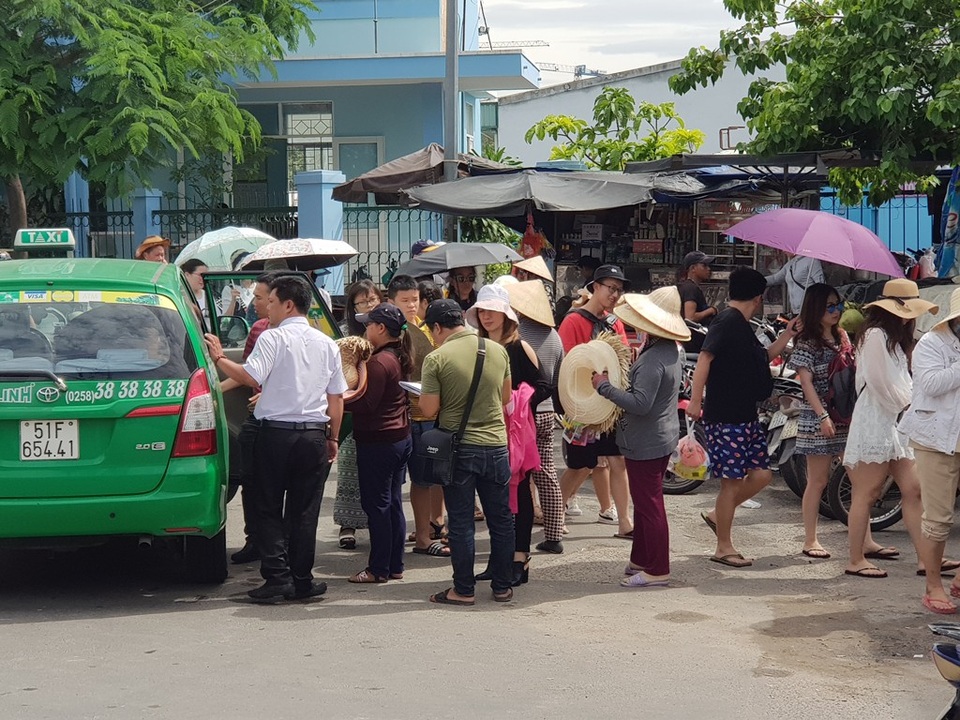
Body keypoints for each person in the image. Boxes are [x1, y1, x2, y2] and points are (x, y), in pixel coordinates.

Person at [204, 275, 347, 601]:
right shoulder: (326, 343)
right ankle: (301, 579)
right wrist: (333, 437)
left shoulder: (273, 338)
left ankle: (277, 576)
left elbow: (250, 376)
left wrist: (219, 358)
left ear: (287, 304)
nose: (265, 306)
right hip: (313, 434)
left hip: (276, 434)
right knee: (304, 512)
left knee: (266, 506)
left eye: (270, 301)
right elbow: (337, 397)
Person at [687, 267, 797, 568]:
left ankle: (716, 515)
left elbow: (765, 356)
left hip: (746, 416)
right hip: (726, 416)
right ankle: (723, 546)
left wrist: (789, 333)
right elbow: (705, 359)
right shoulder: (726, 321)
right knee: (732, 483)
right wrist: (696, 401)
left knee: (761, 475)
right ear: (759, 298)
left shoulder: (742, 326)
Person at [420, 299, 514, 606]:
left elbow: (429, 408)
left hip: (460, 449)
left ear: (437, 327)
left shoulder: (437, 358)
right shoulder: (497, 350)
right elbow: (505, 396)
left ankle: (463, 589)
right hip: (496, 445)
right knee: (500, 519)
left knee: (460, 521)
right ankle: (502, 586)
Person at [593, 287, 688, 588]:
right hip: (661, 435)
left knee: (649, 505)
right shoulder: (670, 349)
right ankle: (642, 559)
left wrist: (603, 386)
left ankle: (658, 568)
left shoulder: (652, 359)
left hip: (647, 441)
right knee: (647, 502)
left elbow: (640, 403)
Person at [843, 279, 937, 580]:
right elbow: (882, 384)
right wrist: (910, 405)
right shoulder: (874, 336)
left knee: (913, 489)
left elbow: (899, 382)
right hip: (878, 419)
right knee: (866, 493)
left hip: (895, 421)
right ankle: (855, 558)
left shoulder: (891, 339)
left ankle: (927, 559)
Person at [468, 284, 550, 586]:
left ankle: (520, 558)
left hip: (516, 431)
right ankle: (498, 558)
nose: (486, 316)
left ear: (506, 315)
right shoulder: (478, 345)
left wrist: (518, 401)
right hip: (488, 428)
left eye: (492, 310)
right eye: (482, 311)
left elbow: (544, 385)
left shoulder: (519, 346)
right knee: (493, 495)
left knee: (521, 493)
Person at [556, 264, 634, 540]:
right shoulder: (573, 321)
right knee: (581, 464)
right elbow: (567, 365)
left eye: (619, 290)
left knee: (617, 460)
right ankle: (556, 512)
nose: (614, 294)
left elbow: (624, 358)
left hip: (611, 405)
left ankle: (625, 521)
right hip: (583, 405)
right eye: (610, 288)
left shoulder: (615, 322)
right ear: (595, 287)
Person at [899, 288, 960, 612]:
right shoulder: (931, 344)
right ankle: (933, 585)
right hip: (936, 439)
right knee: (938, 519)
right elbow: (933, 384)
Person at [345, 303, 414, 584]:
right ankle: (394, 564)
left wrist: (339, 398)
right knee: (393, 503)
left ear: (381, 328)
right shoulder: (396, 356)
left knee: (378, 507)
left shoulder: (378, 362)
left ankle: (378, 569)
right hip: (398, 438)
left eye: (369, 325)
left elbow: (367, 403)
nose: (365, 329)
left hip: (379, 442)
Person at [787, 284, 851, 559]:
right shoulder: (808, 342)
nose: (836, 311)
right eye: (829, 306)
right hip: (818, 419)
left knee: (858, 477)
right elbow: (806, 383)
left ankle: (865, 537)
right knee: (818, 481)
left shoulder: (843, 335)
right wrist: (823, 415)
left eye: (838, 305)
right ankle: (810, 539)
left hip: (844, 415)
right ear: (815, 309)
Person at [387, 274, 449, 558]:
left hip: (427, 414)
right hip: (402, 417)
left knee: (425, 479)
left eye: (414, 300)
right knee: (395, 484)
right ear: (391, 302)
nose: (411, 306)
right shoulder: (390, 333)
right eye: (404, 301)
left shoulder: (425, 330)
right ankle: (393, 537)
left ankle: (425, 534)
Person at [507, 280, 566, 554]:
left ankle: (517, 536)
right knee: (547, 475)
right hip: (547, 410)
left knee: (519, 478)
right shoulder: (554, 336)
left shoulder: (518, 336)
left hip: (523, 414)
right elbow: (558, 377)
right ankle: (554, 533)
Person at [223, 273, 275, 565]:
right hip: (256, 416)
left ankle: (277, 544)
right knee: (251, 480)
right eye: (254, 296)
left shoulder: (299, 331)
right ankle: (254, 538)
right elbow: (248, 371)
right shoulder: (257, 329)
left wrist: (268, 394)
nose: (254, 303)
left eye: (259, 297)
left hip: (279, 415)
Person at [334, 279, 384, 549]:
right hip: (352, 410)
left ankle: (379, 525)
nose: (367, 305)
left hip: (380, 408)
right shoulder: (343, 333)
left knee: (380, 475)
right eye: (362, 302)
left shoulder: (387, 328)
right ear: (352, 306)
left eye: (372, 299)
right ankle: (348, 524)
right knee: (350, 468)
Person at [180, 259, 210, 324]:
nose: (202, 279)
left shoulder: (207, 296)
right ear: (187, 275)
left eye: (205, 275)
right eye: (200, 275)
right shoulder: (179, 296)